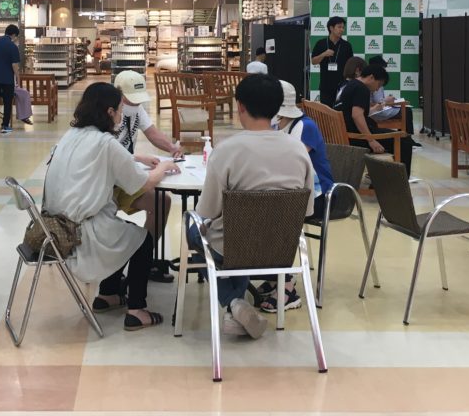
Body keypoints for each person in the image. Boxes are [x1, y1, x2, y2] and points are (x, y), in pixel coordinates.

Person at [42, 82, 179, 331]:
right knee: (142, 240)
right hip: (81, 233)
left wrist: (135, 157)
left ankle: (108, 295)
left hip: (55, 228)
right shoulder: (105, 142)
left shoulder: (71, 135)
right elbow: (144, 182)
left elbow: (99, 158)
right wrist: (164, 166)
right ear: (109, 111)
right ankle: (137, 311)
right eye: (119, 110)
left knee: (122, 231)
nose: (120, 116)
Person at [191, 74, 314, 339]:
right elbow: (306, 210)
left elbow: (206, 211)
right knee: (240, 239)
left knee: (195, 232)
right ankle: (237, 308)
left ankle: (233, 303)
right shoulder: (298, 150)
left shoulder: (227, 150)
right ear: (278, 107)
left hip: (232, 245)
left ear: (240, 106)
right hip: (282, 246)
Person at [112, 70, 184, 280]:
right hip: (107, 182)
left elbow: (152, 133)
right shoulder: (108, 114)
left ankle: (144, 260)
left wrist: (171, 148)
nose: (135, 104)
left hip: (124, 177)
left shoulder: (136, 109)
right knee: (109, 218)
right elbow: (107, 153)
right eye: (130, 100)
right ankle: (113, 272)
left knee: (162, 203)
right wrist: (140, 158)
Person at [268, 79, 331, 314]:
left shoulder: (305, 127)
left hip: (320, 196)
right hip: (294, 191)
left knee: (275, 217)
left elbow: (290, 164)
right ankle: (275, 274)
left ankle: (286, 284)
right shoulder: (278, 125)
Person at [337, 64, 413, 176]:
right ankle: (400, 180)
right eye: (379, 84)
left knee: (390, 134)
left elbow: (355, 113)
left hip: (346, 133)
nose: (377, 89)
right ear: (371, 77)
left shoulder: (351, 84)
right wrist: (371, 140)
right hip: (356, 138)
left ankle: (381, 177)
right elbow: (356, 115)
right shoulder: (362, 89)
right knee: (405, 140)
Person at [368, 54, 418, 144]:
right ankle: (407, 139)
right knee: (407, 111)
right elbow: (378, 102)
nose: (384, 70)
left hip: (377, 109)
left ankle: (404, 138)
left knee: (405, 109)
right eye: (383, 68)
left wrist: (388, 100)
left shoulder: (372, 79)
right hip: (376, 111)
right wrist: (387, 101)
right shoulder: (375, 81)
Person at [311, 16, 355, 107]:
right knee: (326, 111)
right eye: (339, 27)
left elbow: (351, 65)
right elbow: (313, 61)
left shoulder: (347, 45)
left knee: (341, 111)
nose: (342, 30)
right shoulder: (321, 43)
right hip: (325, 85)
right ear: (331, 28)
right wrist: (323, 54)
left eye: (343, 27)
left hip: (342, 86)